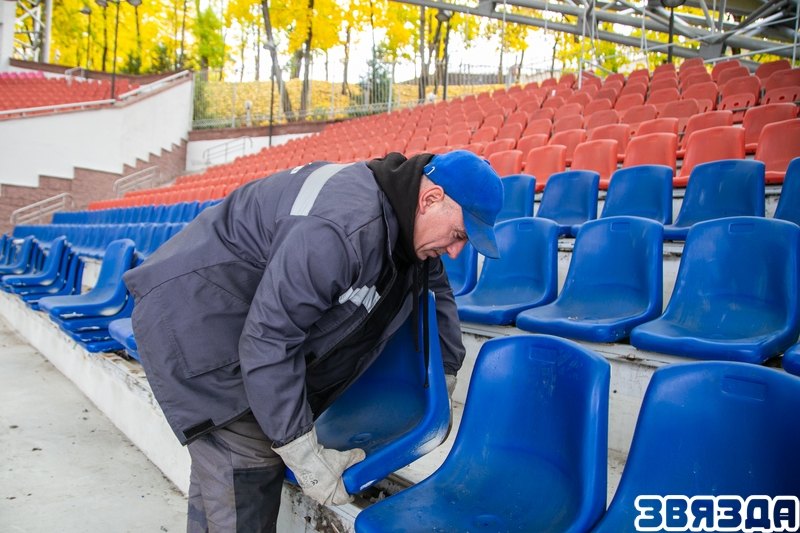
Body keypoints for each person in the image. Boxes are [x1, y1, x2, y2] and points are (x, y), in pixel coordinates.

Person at [122, 149, 504, 533]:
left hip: (225, 316)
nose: (457, 250)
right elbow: (269, 339)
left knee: (220, 485)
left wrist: (446, 370)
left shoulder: (400, 213)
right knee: (247, 465)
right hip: (197, 323)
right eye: (458, 235)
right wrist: (300, 449)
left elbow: (433, 287)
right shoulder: (342, 229)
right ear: (431, 198)